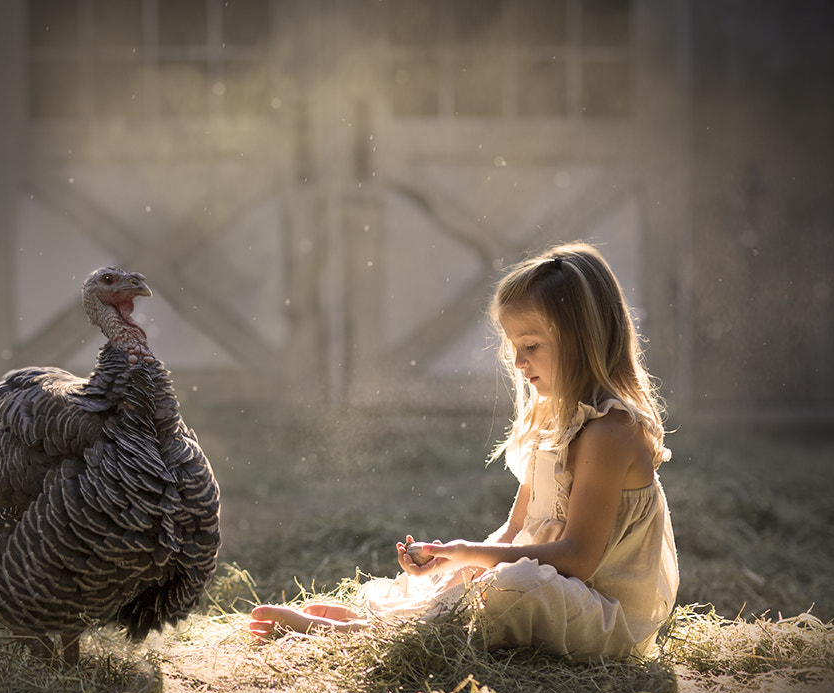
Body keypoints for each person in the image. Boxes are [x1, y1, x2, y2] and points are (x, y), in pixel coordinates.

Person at [249, 242, 679, 661]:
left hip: (600, 614)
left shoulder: (610, 431)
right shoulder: (554, 421)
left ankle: (358, 633)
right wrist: (453, 560)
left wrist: (478, 557)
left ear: (583, 340)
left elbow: (579, 559)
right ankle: (394, 621)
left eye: (531, 346)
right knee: (478, 571)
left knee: (514, 583)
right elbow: (515, 531)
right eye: (514, 347)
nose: (518, 362)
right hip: (556, 584)